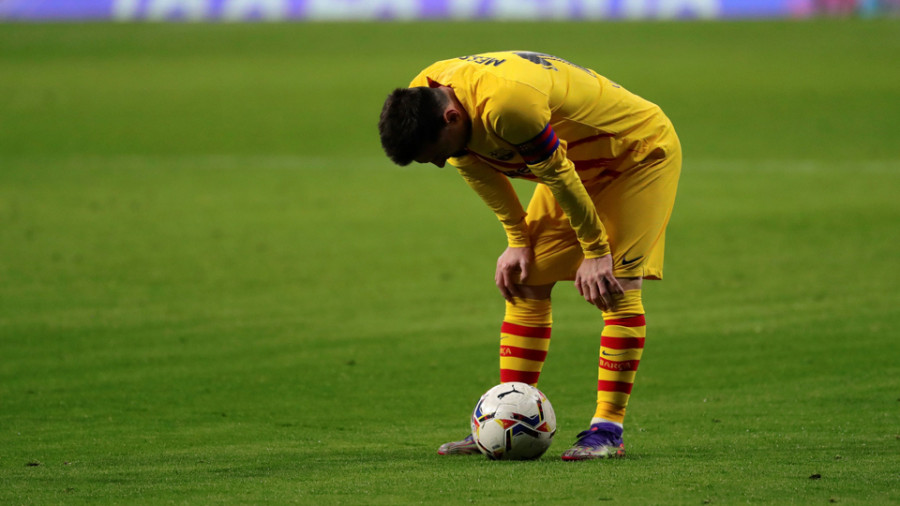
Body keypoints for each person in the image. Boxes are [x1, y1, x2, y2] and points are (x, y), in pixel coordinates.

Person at [378, 51, 681, 461]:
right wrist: (517, 239)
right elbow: (473, 165)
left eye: (433, 153)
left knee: (616, 286)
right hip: (575, 161)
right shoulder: (426, 93)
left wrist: (595, 251)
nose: (436, 164)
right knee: (523, 279)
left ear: (451, 118)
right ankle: (502, 420)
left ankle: (608, 430)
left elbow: (556, 174)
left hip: (636, 152)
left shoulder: (507, 105)